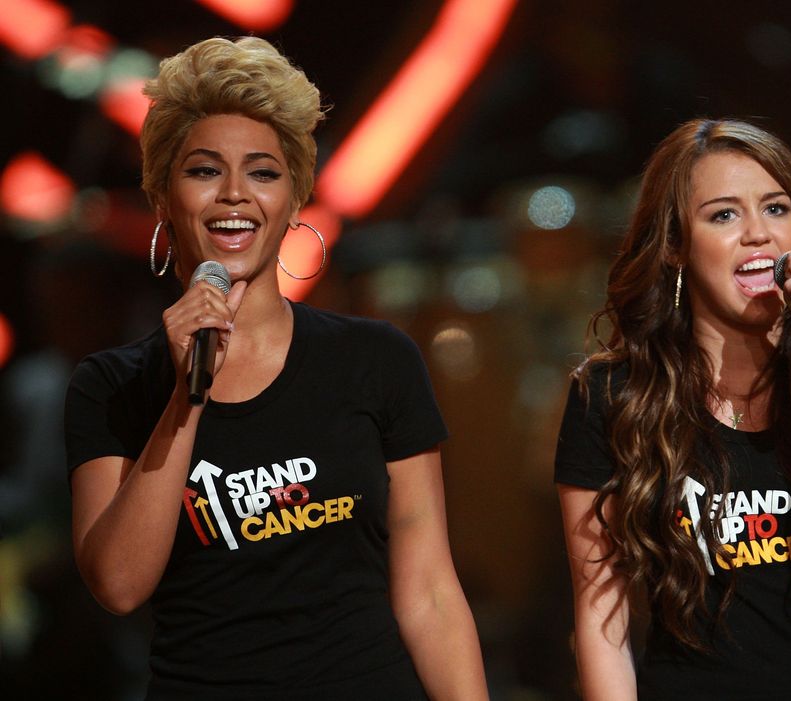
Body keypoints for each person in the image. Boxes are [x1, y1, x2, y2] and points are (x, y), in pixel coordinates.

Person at [64, 37, 488, 700]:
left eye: (263, 172)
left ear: (294, 200)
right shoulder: (113, 386)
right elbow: (118, 584)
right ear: (161, 196)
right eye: (204, 171)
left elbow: (430, 590)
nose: (235, 194)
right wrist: (185, 398)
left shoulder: (375, 360)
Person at [555, 118, 791, 700]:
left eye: (776, 209)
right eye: (723, 215)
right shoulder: (615, 395)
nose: (758, 235)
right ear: (675, 245)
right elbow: (602, 622)